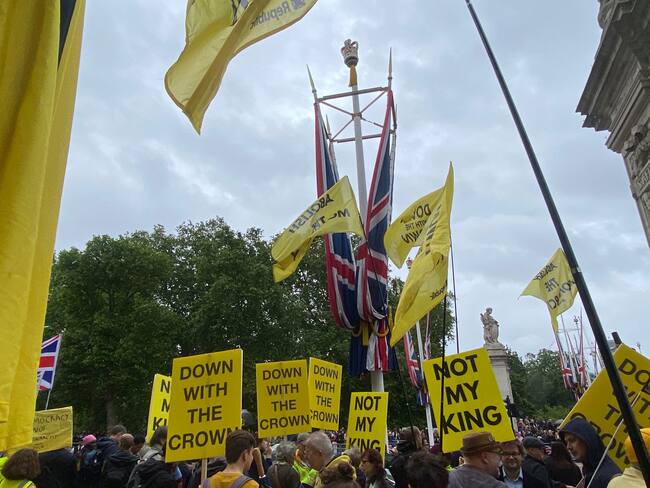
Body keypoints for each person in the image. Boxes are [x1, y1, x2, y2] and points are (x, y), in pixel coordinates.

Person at [560, 418, 620, 488]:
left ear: (587, 439)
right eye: (566, 442)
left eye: (572, 440)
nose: (568, 447)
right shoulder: (589, 468)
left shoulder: (610, 477)